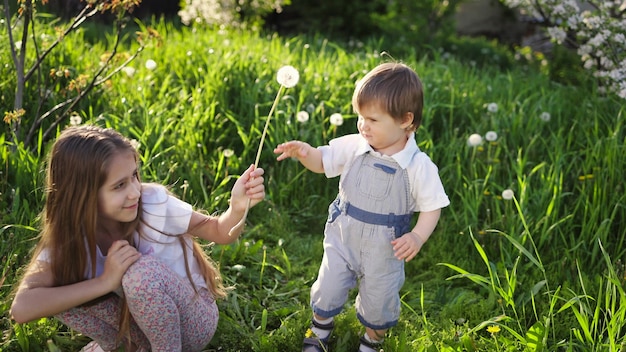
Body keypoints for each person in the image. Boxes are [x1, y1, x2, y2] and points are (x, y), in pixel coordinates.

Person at [10, 125, 266, 352]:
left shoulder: (153, 203)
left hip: (192, 321)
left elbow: (219, 232)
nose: (135, 191)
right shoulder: (69, 241)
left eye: (134, 176)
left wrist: (237, 208)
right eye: (119, 186)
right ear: (82, 195)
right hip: (136, 328)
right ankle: (123, 346)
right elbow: (22, 308)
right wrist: (104, 281)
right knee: (62, 284)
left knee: (139, 274)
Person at [274, 62, 450, 352]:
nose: (362, 125)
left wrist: (417, 236)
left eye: (372, 119)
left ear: (406, 120)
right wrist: (307, 153)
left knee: (379, 301)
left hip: (385, 249)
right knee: (328, 288)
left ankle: (371, 341)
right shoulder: (355, 145)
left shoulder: (419, 166)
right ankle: (319, 330)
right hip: (343, 237)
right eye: (360, 116)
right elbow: (323, 161)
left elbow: (432, 207)